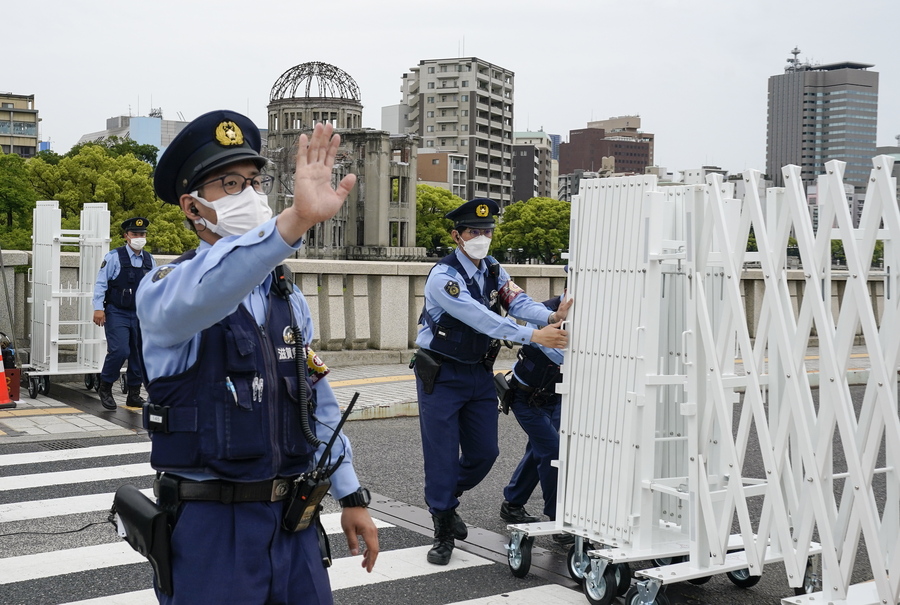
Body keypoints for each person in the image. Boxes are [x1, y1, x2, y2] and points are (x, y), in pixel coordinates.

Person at [139, 110, 378, 604]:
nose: (249, 196)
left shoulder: (285, 295)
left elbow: (315, 400)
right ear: (192, 206)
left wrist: (350, 492)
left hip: (292, 521)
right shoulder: (164, 291)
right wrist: (296, 221)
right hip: (212, 527)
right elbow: (215, 287)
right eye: (229, 184)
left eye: (254, 181)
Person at [413, 198, 572, 565]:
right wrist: (535, 336)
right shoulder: (445, 277)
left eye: (486, 231)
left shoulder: (493, 270)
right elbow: (482, 318)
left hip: (478, 374)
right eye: (474, 231)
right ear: (457, 236)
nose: (482, 237)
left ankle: (444, 497)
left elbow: (517, 302)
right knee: (441, 454)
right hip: (441, 375)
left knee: (485, 453)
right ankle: (442, 526)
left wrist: (550, 314)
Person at [500, 292, 574, 545]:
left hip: (556, 398)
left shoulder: (596, 315)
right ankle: (558, 521)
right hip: (526, 399)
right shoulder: (545, 311)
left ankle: (513, 502)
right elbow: (553, 350)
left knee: (541, 450)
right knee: (554, 452)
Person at [92, 217, 156, 410]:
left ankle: (134, 394)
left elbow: (154, 287)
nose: (139, 237)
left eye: (142, 234)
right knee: (120, 350)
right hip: (117, 311)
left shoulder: (149, 259)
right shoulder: (114, 257)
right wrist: (98, 308)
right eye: (135, 234)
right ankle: (105, 386)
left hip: (140, 314)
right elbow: (101, 283)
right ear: (126, 236)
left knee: (138, 354)